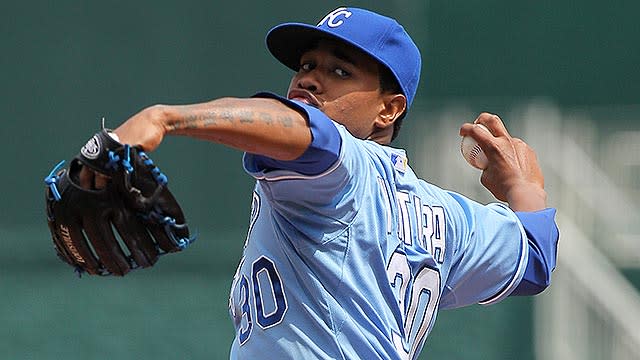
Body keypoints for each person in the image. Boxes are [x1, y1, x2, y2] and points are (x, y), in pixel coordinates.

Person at [82, 6, 559, 360]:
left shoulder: (343, 169)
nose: (310, 80)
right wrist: (524, 188)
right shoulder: (447, 216)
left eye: (339, 71)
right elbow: (534, 258)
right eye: (306, 66)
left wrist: (165, 118)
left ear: (388, 109)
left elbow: (306, 133)